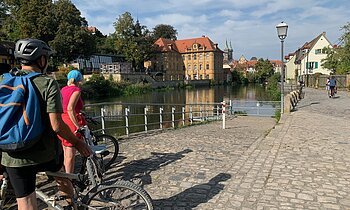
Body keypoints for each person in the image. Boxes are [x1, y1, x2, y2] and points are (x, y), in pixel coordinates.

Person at [0, 38, 92, 210]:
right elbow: (57, 126)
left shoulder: (2, 81)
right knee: (62, 177)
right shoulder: (47, 83)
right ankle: (73, 205)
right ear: (41, 60)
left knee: (26, 202)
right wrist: (78, 142)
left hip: (11, 155)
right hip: (44, 152)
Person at [58, 69, 86, 176]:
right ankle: (69, 181)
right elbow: (70, 108)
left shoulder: (63, 89)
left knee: (66, 152)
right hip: (70, 122)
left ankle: (67, 176)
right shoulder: (76, 90)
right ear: (79, 80)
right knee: (70, 155)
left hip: (61, 120)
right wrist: (77, 126)